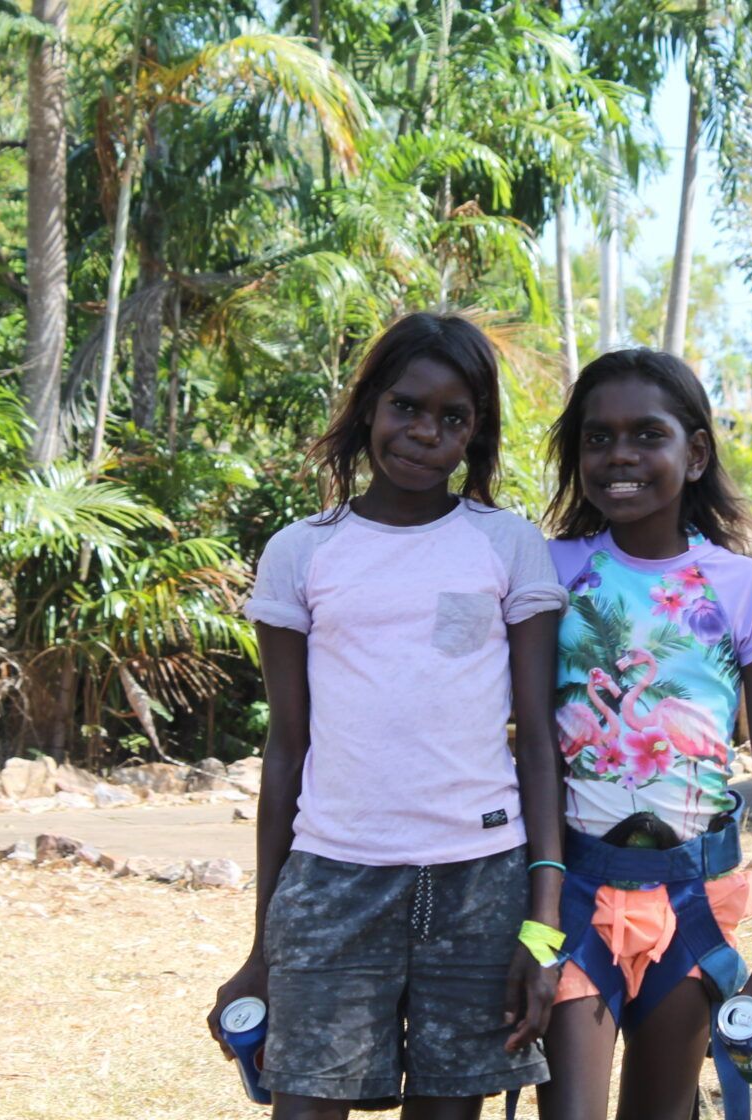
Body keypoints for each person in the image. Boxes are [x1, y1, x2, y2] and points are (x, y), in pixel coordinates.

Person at [206, 312, 568, 1120]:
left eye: (453, 419)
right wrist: (264, 946)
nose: (423, 433)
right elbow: (287, 750)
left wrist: (541, 932)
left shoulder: (506, 546)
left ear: (476, 436)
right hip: (334, 877)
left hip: (480, 882)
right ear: (369, 405)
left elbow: (538, 741)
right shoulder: (301, 552)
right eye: (406, 406)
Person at [536, 348, 752, 1120]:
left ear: (694, 454)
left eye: (646, 435)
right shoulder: (548, 574)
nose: (619, 454)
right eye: (597, 437)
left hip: (693, 898)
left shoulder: (746, 592)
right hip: (573, 897)